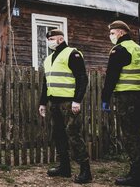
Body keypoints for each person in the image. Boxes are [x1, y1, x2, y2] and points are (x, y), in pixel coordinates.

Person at [38, 29, 92, 184]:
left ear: (60, 39)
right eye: (48, 39)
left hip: (69, 103)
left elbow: (82, 78)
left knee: (73, 135)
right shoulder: (48, 59)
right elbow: (45, 83)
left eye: (52, 39)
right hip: (54, 103)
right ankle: (64, 167)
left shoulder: (72, 54)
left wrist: (77, 100)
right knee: (58, 135)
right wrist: (43, 102)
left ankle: (85, 170)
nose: (49, 41)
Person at [101, 20, 140, 187]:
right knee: (136, 134)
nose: (110, 36)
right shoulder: (139, 49)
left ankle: (136, 177)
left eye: (112, 33)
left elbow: (111, 76)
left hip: (127, 98)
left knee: (129, 136)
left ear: (121, 33)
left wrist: (105, 98)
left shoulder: (119, 49)